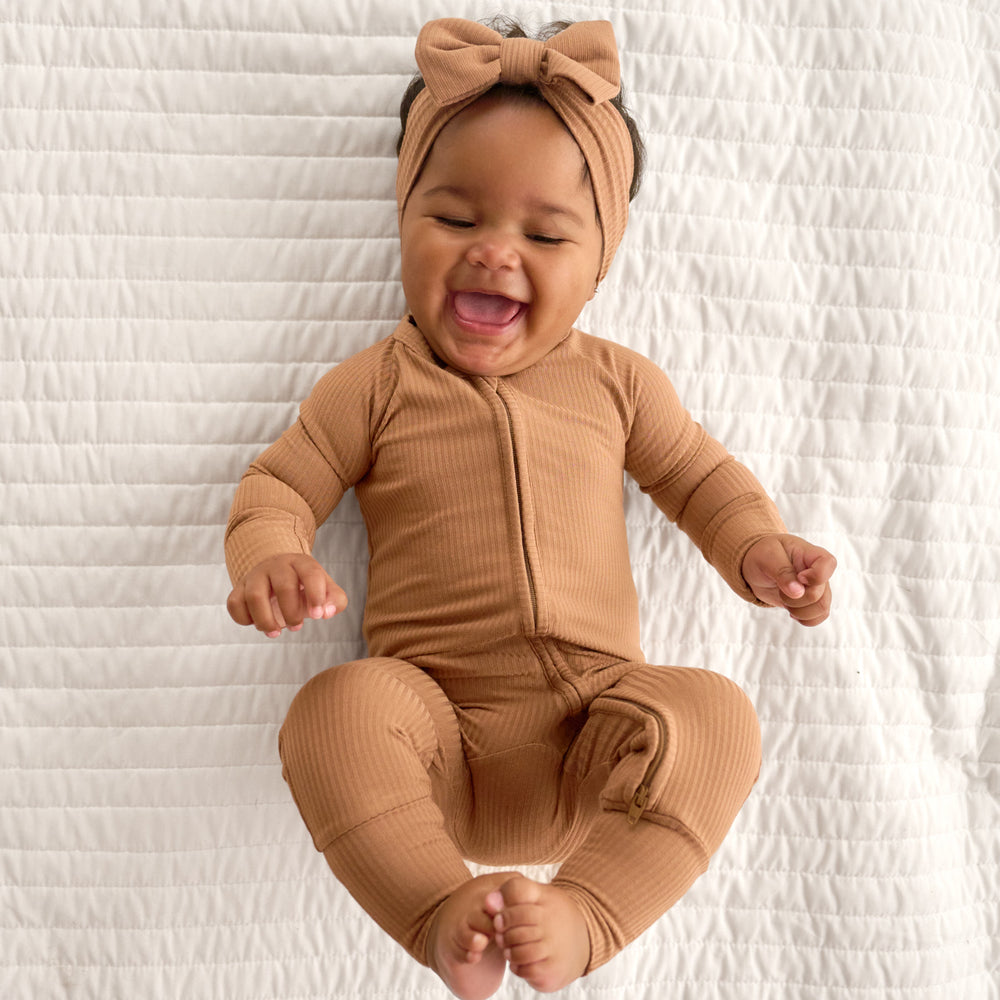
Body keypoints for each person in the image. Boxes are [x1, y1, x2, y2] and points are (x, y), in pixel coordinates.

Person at [224, 16, 836, 1000]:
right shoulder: (374, 385)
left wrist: (754, 544)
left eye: (545, 234)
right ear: (402, 216)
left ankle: (588, 915)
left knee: (717, 713)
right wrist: (267, 555)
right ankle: (437, 912)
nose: (494, 255)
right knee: (333, 711)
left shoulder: (617, 384)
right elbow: (280, 482)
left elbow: (694, 474)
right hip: (434, 735)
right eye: (455, 219)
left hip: (603, 734)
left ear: (599, 259)